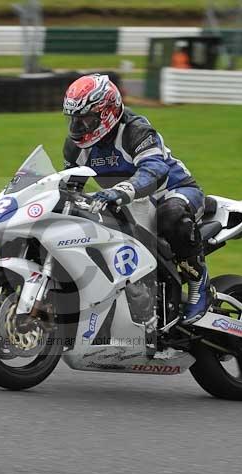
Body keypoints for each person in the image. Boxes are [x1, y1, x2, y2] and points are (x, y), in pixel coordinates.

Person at [62, 73, 210, 323]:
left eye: (85, 119)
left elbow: (154, 169)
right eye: (74, 119)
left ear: (106, 112)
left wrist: (122, 190)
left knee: (170, 216)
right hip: (126, 203)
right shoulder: (76, 146)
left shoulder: (136, 130)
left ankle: (199, 284)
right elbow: (69, 186)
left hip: (174, 192)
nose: (78, 126)